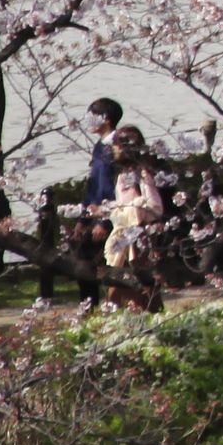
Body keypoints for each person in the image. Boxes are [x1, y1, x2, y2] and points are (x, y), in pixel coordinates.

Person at [88, 125, 164, 313]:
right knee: (120, 282)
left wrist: (132, 211)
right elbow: (121, 203)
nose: (114, 150)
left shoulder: (142, 173)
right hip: (123, 233)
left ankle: (149, 315)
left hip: (137, 236)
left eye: (117, 146)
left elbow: (155, 206)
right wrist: (106, 209)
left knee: (138, 280)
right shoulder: (122, 173)